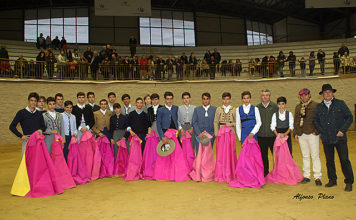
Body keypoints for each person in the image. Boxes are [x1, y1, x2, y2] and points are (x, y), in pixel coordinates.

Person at [313, 84, 354, 192]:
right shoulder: (319, 107)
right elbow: (315, 120)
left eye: (329, 92)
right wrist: (321, 130)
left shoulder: (340, 104)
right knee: (329, 161)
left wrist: (342, 130)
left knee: (344, 160)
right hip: (326, 139)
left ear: (333, 93)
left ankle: (349, 181)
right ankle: (332, 180)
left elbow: (349, 117)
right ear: (322, 94)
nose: (327, 94)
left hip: (340, 138)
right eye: (325, 92)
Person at [294, 88, 322, 186]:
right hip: (302, 134)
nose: (304, 97)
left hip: (312, 133)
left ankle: (317, 176)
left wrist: (317, 131)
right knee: (305, 156)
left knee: (315, 155)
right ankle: (306, 176)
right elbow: (296, 121)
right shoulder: (298, 107)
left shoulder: (316, 105)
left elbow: (320, 119)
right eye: (302, 95)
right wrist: (296, 133)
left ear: (309, 95)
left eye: (305, 95)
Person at [213, 92, 237, 183]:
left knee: (230, 152)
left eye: (227, 99)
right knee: (221, 153)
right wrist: (216, 133)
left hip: (230, 132)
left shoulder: (234, 109)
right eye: (224, 99)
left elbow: (238, 122)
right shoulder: (219, 109)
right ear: (222, 100)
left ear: (230, 99)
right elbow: (215, 122)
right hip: (221, 133)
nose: (226, 101)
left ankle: (230, 173)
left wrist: (231, 124)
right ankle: (221, 173)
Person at [256, 89, 278, 177]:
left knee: (275, 155)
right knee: (263, 155)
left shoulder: (275, 106)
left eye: (267, 95)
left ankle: (277, 171)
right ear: (261, 97)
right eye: (263, 95)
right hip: (261, 136)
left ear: (269, 96)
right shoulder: (257, 107)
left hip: (272, 135)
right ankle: (265, 172)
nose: (265, 97)